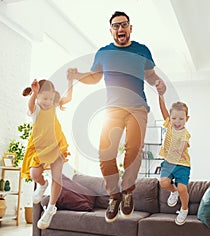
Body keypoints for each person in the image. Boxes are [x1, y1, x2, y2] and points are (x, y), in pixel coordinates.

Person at [67, 11, 166, 223]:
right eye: (116, 26)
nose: (120, 29)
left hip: (137, 108)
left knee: (133, 149)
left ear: (130, 28)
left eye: (124, 25)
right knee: (105, 154)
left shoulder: (142, 51)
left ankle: (128, 192)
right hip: (112, 109)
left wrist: (159, 83)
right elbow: (94, 78)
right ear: (111, 30)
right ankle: (115, 196)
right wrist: (77, 75)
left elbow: (150, 76)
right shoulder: (103, 53)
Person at [21, 78, 73, 229]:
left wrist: (70, 82)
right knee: (34, 173)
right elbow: (30, 105)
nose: (48, 102)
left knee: (57, 177)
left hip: (56, 145)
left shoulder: (53, 106)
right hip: (39, 147)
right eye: (44, 98)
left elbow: (68, 98)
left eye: (50, 99)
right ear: (38, 96)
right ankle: (43, 185)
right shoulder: (36, 109)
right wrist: (34, 94)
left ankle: (51, 208)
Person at [157, 89, 191, 225]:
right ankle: (174, 191)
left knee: (183, 188)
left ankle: (184, 209)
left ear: (186, 119)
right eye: (174, 118)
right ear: (170, 118)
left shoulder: (185, 133)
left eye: (181, 118)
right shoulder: (169, 126)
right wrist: (160, 95)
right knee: (164, 182)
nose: (177, 121)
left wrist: (180, 149)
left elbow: (184, 143)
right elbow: (163, 109)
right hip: (168, 162)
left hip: (183, 164)